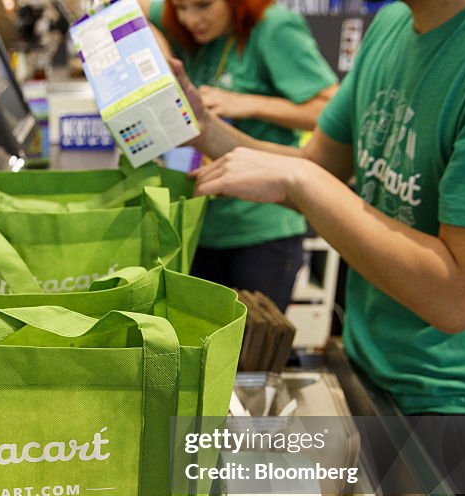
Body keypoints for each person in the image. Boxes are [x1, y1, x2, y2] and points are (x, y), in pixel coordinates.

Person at [180, 0, 465, 496]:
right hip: (368, 380)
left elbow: (459, 294)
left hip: (460, 419)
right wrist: (204, 129)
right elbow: (320, 164)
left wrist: (299, 180)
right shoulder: (397, 21)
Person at [139, 0, 338, 310]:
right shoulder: (193, 32)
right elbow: (129, 10)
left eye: (204, 6)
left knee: (252, 348)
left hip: (260, 229)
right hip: (200, 225)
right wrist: (160, 58)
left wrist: (247, 103)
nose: (192, 19)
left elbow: (330, 110)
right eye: (181, 8)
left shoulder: (274, 29)